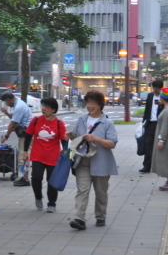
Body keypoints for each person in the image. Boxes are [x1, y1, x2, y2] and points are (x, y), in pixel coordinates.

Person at [65, 91, 118, 230]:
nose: (89, 106)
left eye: (93, 103)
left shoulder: (107, 123)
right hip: (82, 161)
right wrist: (71, 135)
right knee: (82, 189)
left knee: (101, 192)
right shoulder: (82, 119)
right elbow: (77, 138)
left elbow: (112, 143)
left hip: (101, 161)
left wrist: (96, 139)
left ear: (100, 104)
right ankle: (79, 218)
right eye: (87, 102)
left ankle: (101, 216)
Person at [23, 97, 67, 213]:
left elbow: (64, 141)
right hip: (37, 155)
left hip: (53, 156)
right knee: (36, 177)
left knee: (51, 180)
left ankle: (52, 203)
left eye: (46, 107)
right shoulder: (36, 120)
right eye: (43, 106)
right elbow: (28, 135)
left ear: (53, 109)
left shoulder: (59, 123)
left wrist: (68, 156)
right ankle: (38, 196)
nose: (44, 109)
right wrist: (25, 151)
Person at [0, 92, 33, 186]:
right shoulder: (19, 103)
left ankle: (25, 179)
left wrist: (6, 136)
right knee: (24, 155)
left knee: (23, 156)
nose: (6, 104)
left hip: (27, 134)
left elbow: (12, 124)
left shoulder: (18, 107)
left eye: (6, 102)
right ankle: (25, 177)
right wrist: (6, 113)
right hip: (26, 133)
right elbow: (15, 118)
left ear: (10, 99)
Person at [139, 80, 164, 173]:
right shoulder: (150, 96)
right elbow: (147, 108)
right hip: (150, 124)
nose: (155, 90)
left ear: (161, 88)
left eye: (157, 88)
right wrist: (144, 121)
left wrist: (162, 104)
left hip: (160, 125)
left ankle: (159, 166)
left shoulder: (164, 97)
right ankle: (146, 166)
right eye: (154, 88)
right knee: (148, 145)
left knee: (160, 146)